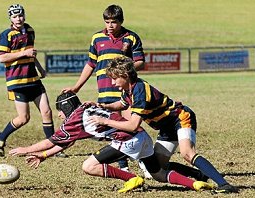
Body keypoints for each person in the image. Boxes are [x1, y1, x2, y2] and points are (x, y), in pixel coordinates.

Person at [88, 56, 239, 194]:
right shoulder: (128, 90)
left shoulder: (139, 90)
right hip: (166, 126)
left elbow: (133, 125)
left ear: (125, 76)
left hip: (180, 118)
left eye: (114, 79)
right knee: (158, 168)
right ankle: (200, 175)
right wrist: (102, 106)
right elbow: (121, 105)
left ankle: (224, 185)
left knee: (187, 153)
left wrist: (105, 121)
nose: (112, 83)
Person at [9, 92, 214, 193]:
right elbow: (65, 143)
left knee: (88, 166)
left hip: (127, 140)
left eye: (61, 112)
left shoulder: (74, 120)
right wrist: (44, 156)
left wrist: (25, 149)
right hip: (141, 136)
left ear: (66, 109)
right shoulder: (87, 109)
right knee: (157, 173)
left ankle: (131, 179)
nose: (60, 116)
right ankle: (195, 183)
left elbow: (51, 140)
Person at [62, 4, 145, 172]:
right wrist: (76, 87)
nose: (110, 26)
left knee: (134, 129)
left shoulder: (131, 38)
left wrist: (125, 69)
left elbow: (141, 62)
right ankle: (124, 167)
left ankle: (146, 165)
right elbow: (90, 64)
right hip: (105, 92)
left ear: (121, 21)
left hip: (126, 92)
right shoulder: (97, 38)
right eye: (107, 22)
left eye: (114, 22)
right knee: (114, 132)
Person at [0, 4, 54, 157]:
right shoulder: (6, 35)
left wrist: (40, 68)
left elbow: (30, 54)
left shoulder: (30, 31)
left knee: (47, 112)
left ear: (24, 16)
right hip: (17, 81)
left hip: (33, 79)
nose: (18, 18)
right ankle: (1, 137)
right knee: (23, 118)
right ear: (10, 18)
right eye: (15, 16)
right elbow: (2, 58)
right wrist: (23, 53)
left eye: (20, 15)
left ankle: (53, 147)